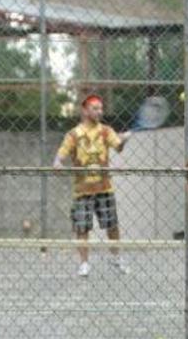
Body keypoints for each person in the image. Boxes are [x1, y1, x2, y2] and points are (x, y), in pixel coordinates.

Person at [54, 93, 132, 276]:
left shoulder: (106, 131)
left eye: (101, 108)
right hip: (82, 190)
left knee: (112, 226)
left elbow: (118, 146)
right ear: (85, 110)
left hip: (104, 187)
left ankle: (116, 258)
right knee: (82, 228)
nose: (99, 111)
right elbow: (62, 153)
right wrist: (57, 162)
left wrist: (125, 140)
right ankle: (84, 264)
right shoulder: (74, 134)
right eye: (95, 108)